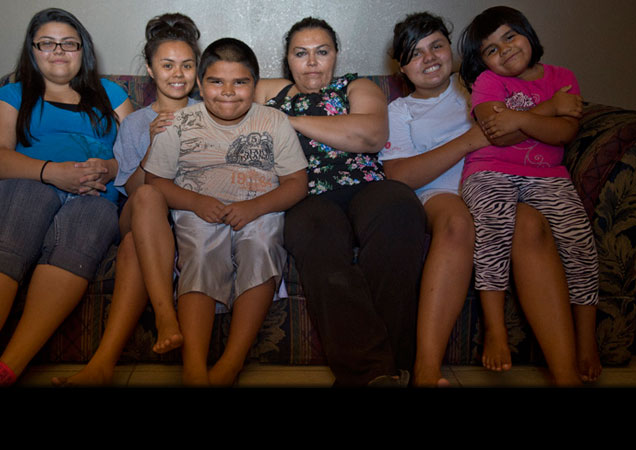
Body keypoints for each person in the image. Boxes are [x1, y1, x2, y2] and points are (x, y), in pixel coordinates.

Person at [382, 12, 585, 386]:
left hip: (500, 183)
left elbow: (529, 110)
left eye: (437, 46)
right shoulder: (399, 110)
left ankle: (566, 375)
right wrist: (476, 137)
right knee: (458, 221)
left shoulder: (483, 85)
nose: (428, 58)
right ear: (402, 68)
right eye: (414, 53)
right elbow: (399, 176)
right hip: (441, 194)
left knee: (529, 224)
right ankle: (426, 370)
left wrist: (548, 109)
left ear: (453, 50)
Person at [0, 8, 133, 387]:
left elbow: (138, 152)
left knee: (78, 240)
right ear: (32, 50)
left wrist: (110, 170)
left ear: (83, 51)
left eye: (69, 43)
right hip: (28, 183)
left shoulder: (111, 93)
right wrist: (53, 172)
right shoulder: (11, 95)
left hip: (95, 196)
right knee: (6, 242)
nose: (58, 51)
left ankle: (5, 370)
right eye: (47, 43)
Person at [256, 17, 427, 387]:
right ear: (288, 61)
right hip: (308, 193)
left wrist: (294, 122)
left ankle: (388, 368)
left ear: (335, 55)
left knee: (400, 212)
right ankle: (376, 373)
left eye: (322, 52)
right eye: (301, 54)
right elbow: (221, 88)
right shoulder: (271, 93)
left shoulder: (355, 85)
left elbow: (371, 135)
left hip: (368, 185)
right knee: (315, 235)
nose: (312, 62)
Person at [144, 37, 308, 386]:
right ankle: (194, 369)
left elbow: (296, 182)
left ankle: (230, 364)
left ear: (255, 85)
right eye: (217, 82)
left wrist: (255, 207)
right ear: (201, 86)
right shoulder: (178, 123)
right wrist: (195, 202)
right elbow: (155, 182)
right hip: (197, 209)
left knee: (261, 245)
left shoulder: (274, 120)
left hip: (259, 208)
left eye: (240, 82)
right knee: (201, 251)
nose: (228, 92)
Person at [53, 13, 201, 387]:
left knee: (137, 244)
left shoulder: (210, 113)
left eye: (187, 65)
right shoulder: (136, 123)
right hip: (140, 208)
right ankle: (166, 315)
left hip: (184, 218)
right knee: (149, 195)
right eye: (167, 65)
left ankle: (101, 366)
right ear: (150, 70)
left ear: (198, 70)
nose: (178, 73)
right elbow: (132, 190)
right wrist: (155, 144)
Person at [458, 5, 602, 382]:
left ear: (528, 35)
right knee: (494, 228)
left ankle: (586, 342)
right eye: (491, 49)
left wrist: (519, 117)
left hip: (548, 174)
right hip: (489, 169)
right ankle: (495, 329)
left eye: (509, 37)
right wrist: (550, 109)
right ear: (483, 61)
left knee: (580, 243)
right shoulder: (488, 83)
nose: (503, 50)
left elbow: (564, 134)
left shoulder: (562, 76)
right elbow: (497, 132)